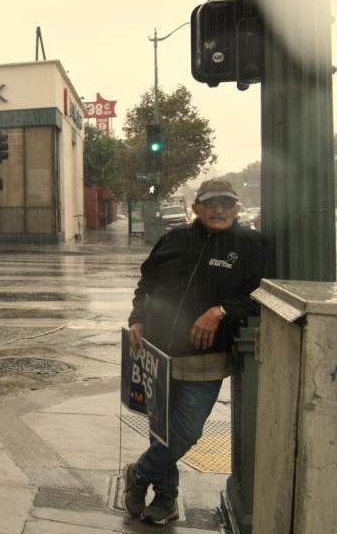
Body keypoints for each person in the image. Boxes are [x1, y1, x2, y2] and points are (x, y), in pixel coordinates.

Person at [123, 179, 270, 525]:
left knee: (187, 431)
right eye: (210, 203)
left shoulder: (251, 245)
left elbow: (260, 295)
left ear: (236, 208)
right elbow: (147, 284)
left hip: (206, 359)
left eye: (226, 203)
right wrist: (137, 319)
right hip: (158, 353)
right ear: (196, 208)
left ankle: (140, 472)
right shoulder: (172, 241)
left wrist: (220, 310)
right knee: (162, 431)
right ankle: (166, 498)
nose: (218, 210)